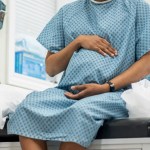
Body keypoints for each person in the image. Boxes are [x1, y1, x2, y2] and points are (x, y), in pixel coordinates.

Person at [7, 0, 150, 150]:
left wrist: (107, 87)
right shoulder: (67, 12)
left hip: (115, 92)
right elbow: (51, 68)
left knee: (79, 112)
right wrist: (78, 41)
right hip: (67, 92)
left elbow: (147, 63)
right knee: (27, 107)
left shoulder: (137, 8)